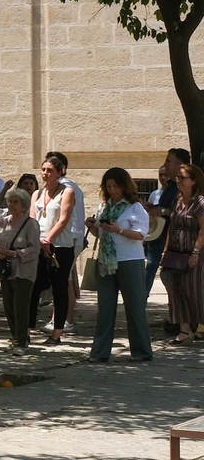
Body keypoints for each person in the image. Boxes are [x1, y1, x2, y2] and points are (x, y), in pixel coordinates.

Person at [85, 167, 153, 364]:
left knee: (134, 307)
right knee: (105, 308)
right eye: (109, 186)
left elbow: (140, 235)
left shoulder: (135, 207)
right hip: (106, 261)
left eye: (116, 186)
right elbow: (103, 234)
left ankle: (141, 351)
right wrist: (93, 226)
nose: (113, 190)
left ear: (125, 186)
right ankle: (99, 352)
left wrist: (119, 230)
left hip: (129, 260)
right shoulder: (104, 207)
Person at [32, 153, 77, 344]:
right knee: (34, 287)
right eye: (43, 170)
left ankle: (57, 332)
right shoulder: (37, 193)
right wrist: (37, 241)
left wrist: (48, 241)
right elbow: (33, 220)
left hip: (60, 246)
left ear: (60, 172)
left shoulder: (67, 192)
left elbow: (63, 219)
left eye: (50, 170)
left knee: (59, 289)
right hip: (38, 246)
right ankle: (26, 331)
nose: (45, 173)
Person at [160, 163, 204, 344]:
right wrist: (165, 250)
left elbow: (203, 230)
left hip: (193, 254)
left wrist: (195, 252)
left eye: (182, 178)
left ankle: (200, 327)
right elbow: (172, 226)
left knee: (194, 291)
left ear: (193, 181)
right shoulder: (177, 201)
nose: (178, 181)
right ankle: (184, 331)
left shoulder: (200, 202)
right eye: (177, 177)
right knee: (177, 291)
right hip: (175, 254)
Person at [0, 188, 41, 350]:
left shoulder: (31, 224)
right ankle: (15, 338)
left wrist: (14, 253)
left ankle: (21, 342)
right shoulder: (3, 221)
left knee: (20, 307)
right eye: (10, 201)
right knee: (8, 307)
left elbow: (34, 249)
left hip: (23, 271)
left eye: (16, 202)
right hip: (6, 270)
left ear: (24, 206)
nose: (11, 204)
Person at [144, 147, 187, 325]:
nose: (166, 164)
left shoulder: (183, 186)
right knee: (164, 276)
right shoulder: (170, 186)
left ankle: (181, 321)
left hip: (178, 240)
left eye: (169, 161)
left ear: (180, 164)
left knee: (172, 278)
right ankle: (176, 319)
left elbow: (183, 210)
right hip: (160, 237)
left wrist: (160, 211)